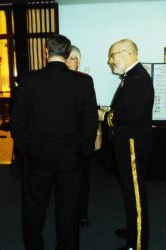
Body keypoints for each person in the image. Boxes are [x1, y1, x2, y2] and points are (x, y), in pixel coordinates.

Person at [11, 34, 98, 250]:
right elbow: (90, 122)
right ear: (68, 54)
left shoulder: (28, 79)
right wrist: (84, 153)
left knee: (33, 207)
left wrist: (25, 151)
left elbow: (17, 121)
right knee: (68, 209)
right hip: (71, 158)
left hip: (37, 156)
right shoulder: (83, 82)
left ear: (45, 51)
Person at [98, 39, 154, 250]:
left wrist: (105, 115)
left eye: (112, 55)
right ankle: (134, 229)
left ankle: (138, 243)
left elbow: (129, 114)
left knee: (135, 195)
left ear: (126, 53)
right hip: (128, 143)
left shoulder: (137, 79)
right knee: (130, 193)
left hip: (132, 145)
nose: (110, 60)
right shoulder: (132, 76)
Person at [66, 45, 101, 228]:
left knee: (83, 180)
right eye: (72, 58)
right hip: (62, 142)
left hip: (81, 141)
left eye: (78, 58)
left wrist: (96, 134)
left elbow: (91, 113)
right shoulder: (56, 82)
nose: (76, 62)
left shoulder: (85, 80)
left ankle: (82, 213)